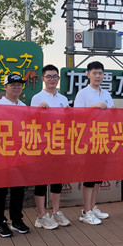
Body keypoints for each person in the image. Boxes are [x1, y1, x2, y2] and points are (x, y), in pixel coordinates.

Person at [30, 64, 72, 229]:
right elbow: (31, 121)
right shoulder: (37, 98)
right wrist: (39, 111)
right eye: (49, 76)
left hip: (59, 144)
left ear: (58, 78)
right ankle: (41, 216)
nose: (52, 79)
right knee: (41, 181)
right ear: (43, 78)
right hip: (42, 144)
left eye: (55, 76)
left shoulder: (63, 99)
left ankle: (56, 212)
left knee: (57, 180)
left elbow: (67, 122)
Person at [73, 61, 114, 225]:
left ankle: (92, 206)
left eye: (100, 73)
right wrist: (93, 107)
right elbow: (76, 116)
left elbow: (112, 116)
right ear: (88, 74)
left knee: (98, 177)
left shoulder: (106, 94)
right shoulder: (82, 94)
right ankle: (86, 211)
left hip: (103, 139)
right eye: (94, 73)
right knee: (89, 177)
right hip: (89, 141)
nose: (98, 76)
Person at [0, 73, 31, 237]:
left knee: (18, 189)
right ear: (5, 87)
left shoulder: (24, 106)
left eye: (19, 85)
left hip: (20, 153)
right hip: (1, 153)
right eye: (13, 85)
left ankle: (16, 220)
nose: (16, 88)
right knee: (0, 189)